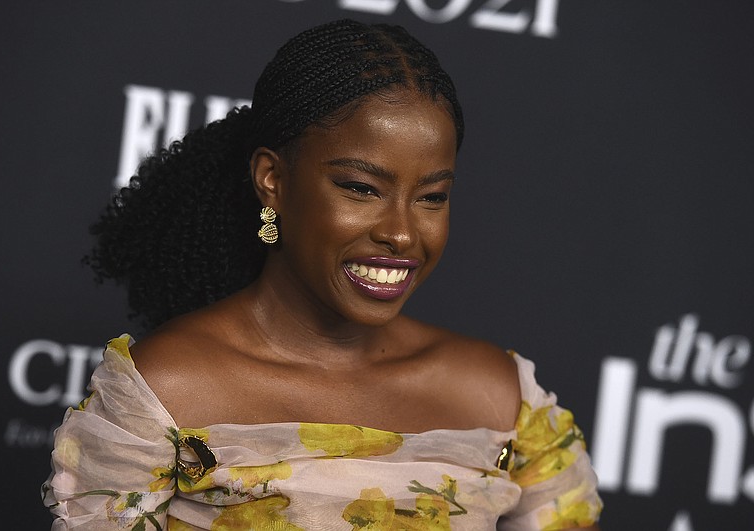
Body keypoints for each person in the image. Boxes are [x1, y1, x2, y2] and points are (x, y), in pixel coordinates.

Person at [42, 19, 602, 530]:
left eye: (432, 197)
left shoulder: (502, 401)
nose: (403, 233)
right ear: (272, 181)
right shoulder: (163, 396)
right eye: (361, 188)